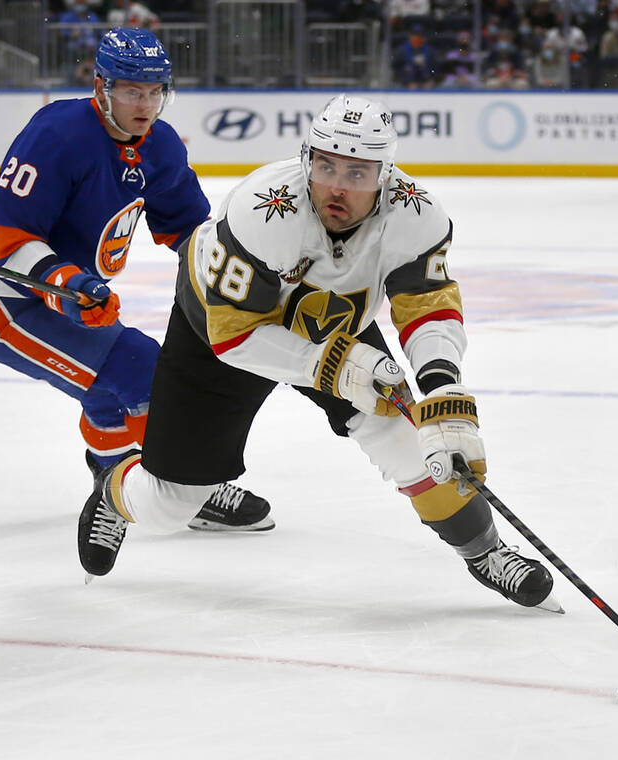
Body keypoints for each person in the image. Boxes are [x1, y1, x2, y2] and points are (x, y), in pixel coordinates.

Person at [77, 94, 560, 613]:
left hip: (328, 321)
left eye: (357, 172)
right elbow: (233, 334)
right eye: (326, 165)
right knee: (170, 505)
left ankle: (484, 549)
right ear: (307, 158)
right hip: (218, 334)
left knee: (408, 437)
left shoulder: (415, 214)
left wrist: (442, 388)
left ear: (386, 174)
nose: (336, 186)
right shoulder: (261, 208)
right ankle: (115, 489)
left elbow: (428, 310)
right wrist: (334, 366)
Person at [0, 28, 273, 532]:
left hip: (71, 295)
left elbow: (188, 229)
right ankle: (187, 488)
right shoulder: (58, 134)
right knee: (144, 370)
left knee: (110, 391)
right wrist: (68, 284)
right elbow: (10, 238)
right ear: (101, 85)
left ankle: (112, 481)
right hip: (4, 302)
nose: (145, 104)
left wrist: (235, 271)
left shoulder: (159, 145)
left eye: (154, 92)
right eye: (131, 91)